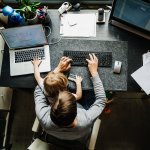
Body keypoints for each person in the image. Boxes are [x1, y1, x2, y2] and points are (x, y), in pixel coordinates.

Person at [34, 53, 106, 143]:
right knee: (90, 94)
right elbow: (101, 100)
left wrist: (57, 70)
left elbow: (39, 88)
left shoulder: (42, 116)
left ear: (51, 108)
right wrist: (94, 73)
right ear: (76, 109)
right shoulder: (86, 119)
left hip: (56, 136)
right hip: (81, 138)